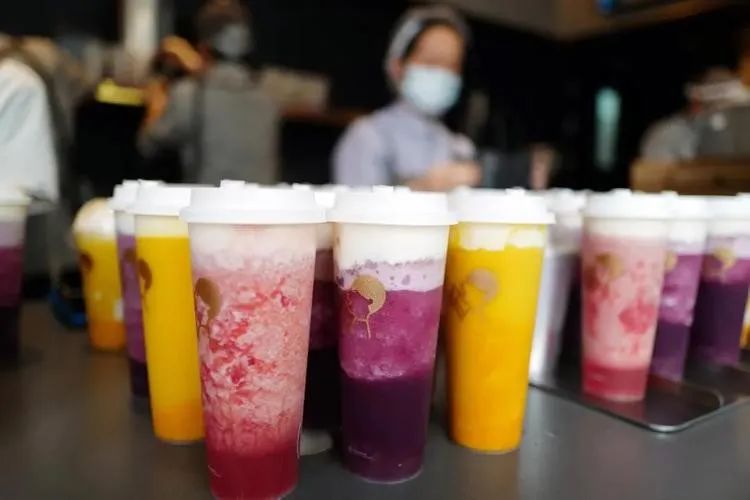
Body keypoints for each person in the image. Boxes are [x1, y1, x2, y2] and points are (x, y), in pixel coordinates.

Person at [333, 6, 481, 190]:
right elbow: (355, 204)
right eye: (431, 62)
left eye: (452, 66)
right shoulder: (367, 137)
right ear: (397, 67)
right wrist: (422, 187)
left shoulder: (459, 148)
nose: (443, 73)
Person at [139, 0, 279, 184]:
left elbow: (147, 144)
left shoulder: (189, 94)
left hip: (208, 202)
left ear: (202, 47)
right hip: (261, 203)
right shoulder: (269, 97)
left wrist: (156, 97)